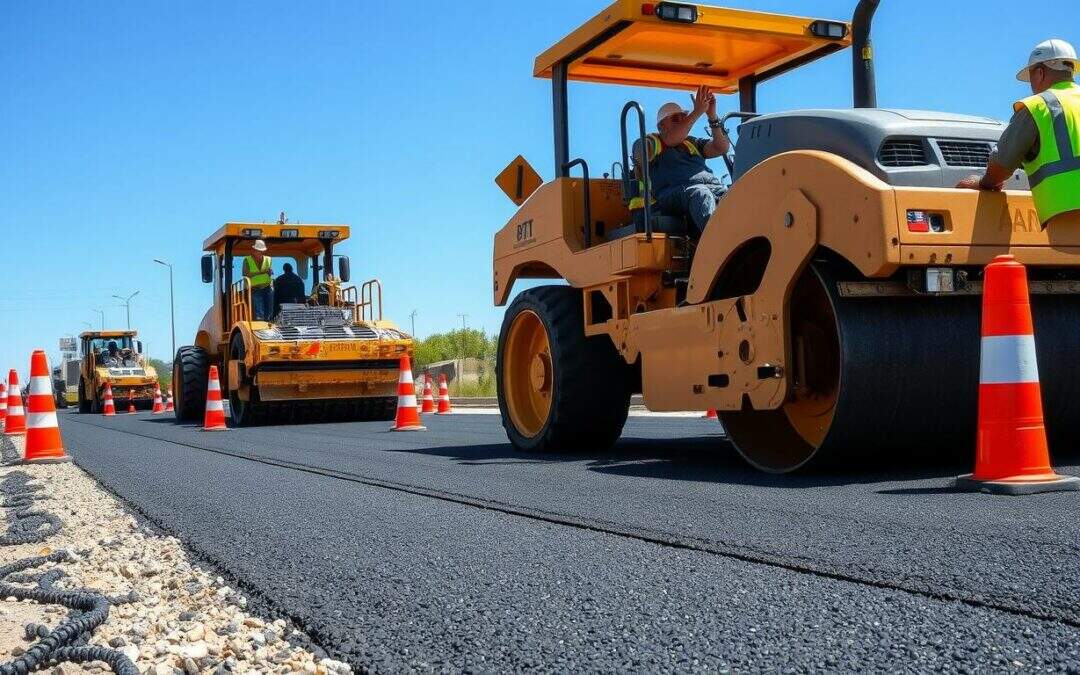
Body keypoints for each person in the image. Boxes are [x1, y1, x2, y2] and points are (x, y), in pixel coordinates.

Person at [957, 39, 1080, 226]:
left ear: (1040, 73)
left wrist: (983, 183)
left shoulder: (1039, 106)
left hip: (1067, 219)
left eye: (1031, 78)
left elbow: (1001, 166)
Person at [633, 84, 732, 236]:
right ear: (661, 126)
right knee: (701, 194)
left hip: (709, 188)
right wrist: (698, 111)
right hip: (672, 195)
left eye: (683, 117)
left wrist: (712, 116)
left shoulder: (691, 143)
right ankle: (717, 244)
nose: (683, 121)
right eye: (676, 118)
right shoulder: (651, 142)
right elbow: (667, 140)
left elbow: (721, 147)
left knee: (734, 193)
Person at [243, 240, 274, 321]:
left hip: (267, 287)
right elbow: (246, 273)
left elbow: (269, 272)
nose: (260, 252)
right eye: (259, 251)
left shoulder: (269, 259)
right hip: (254, 289)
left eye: (262, 251)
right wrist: (263, 272)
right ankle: (260, 325)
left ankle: (270, 324)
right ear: (254, 250)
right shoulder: (247, 260)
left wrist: (270, 272)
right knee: (259, 310)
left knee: (270, 309)